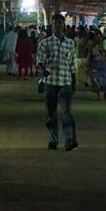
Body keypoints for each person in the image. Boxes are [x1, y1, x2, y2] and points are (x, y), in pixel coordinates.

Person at [36, 13, 78, 151]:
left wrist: (74, 81)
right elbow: (40, 61)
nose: (58, 26)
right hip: (51, 82)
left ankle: (70, 140)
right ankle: (53, 139)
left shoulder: (70, 43)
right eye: (55, 24)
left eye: (60, 23)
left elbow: (72, 64)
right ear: (52, 26)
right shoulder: (45, 43)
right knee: (51, 114)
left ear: (64, 26)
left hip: (65, 81)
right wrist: (42, 69)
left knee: (67, 113)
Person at [89, 31, 106, 99]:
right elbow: (90, 55)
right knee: (96, 80)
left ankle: (104, 94)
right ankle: (98, 94)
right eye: (96, 37)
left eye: (99, 37)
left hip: (104, 64)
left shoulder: (105, 44)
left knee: (104, 81)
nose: (98, 38)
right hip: (96, 65)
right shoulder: (93, 46)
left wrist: (103, 50)